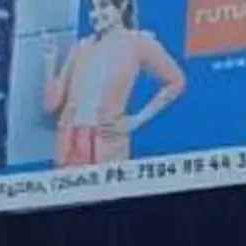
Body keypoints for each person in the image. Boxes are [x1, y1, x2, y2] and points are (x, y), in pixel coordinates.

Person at [42, 0, 185, 168]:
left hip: (108, 146)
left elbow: (176, 81)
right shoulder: (82, 47)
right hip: (68, 147)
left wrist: (136, 120)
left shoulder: (138, 42)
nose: (95, 15)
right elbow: (50, 105)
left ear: (122, 6)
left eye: (103, 6)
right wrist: (49, 63)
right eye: (92, 9)